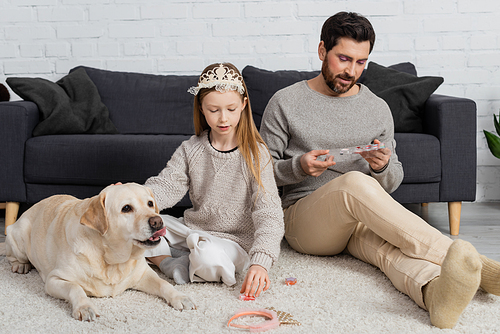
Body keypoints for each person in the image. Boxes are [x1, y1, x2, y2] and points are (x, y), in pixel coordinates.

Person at [259, 11, 500, 329]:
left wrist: (384, 165)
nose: (351, 71)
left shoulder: (376, 108)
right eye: (343, 58)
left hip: (356, 221)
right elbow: (259, 176)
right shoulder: (285, 102)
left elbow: (392, 180)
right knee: (354, 183)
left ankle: (435, 295)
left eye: (361, 62)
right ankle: (481, 267)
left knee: (391, 252)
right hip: (304, 222)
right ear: (322, 51)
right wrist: (298, 166)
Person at [143, 63, 285, 298]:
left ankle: (187, 256)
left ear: (243, 105)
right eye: (213, 110)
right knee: (135, 229)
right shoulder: (191, 149)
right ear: (201, 108)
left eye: (230, 109)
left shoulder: (256, 153)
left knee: (208, 256)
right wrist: (133, 195)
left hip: (234, 242)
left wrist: (260, 262)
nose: (223, 118)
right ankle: (167, 262)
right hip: (192, 229)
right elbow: (166, 185)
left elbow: (269, 212)